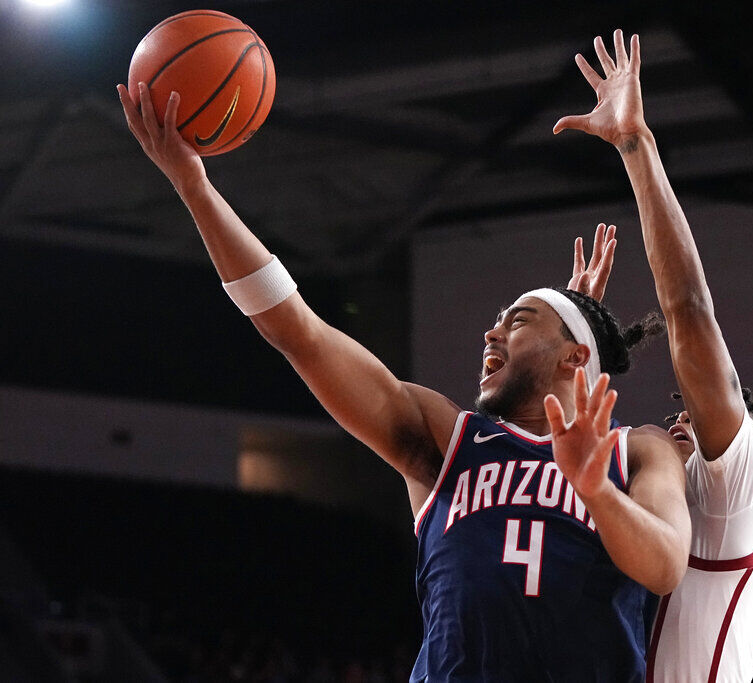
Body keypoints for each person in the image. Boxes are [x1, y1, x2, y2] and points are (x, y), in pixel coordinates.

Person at [116, 54, 690, 680]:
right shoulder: (447, 438)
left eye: (517, 322)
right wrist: (195, 189)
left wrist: (595, 489)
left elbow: (664, 563)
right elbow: (298, 331)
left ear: (576, 357)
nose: (490, 333)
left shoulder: (637, 453)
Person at [557, 30, 753, 682]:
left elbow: (690, 316)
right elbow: (561, 447)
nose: (684, 422)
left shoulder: (736, 496)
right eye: (681, 417)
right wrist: (573, 342)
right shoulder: (650, 511)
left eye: (704, 426)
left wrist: (635, 145)